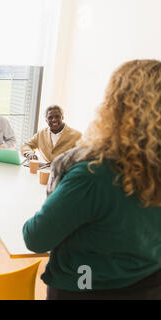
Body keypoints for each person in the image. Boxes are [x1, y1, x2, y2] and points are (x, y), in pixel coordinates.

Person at [23, 59, 161, 299]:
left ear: (114, 107)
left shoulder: (92, 175)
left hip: (86, 287)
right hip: (150, 285)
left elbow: (35, 237)